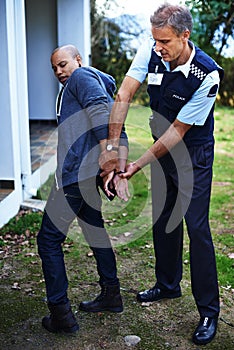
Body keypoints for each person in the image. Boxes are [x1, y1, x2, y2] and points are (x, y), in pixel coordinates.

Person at [99, 3, 224, 346]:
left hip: (192, 154)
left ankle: (209, 311)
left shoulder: (207, 75)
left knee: (196, 227)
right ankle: (168, 284)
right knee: (163, 218)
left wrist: (136, 166)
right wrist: (111, 151)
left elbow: (179, 132)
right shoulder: (150, 49)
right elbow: (123, 94)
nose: (158, 48)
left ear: (185, 36)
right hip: (163, 147)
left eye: (165, 41)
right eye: (155, 40)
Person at [37, 44, 129, 334]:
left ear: (77, 59)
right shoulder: (92, 81)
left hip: (77, 175)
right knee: (94, 230)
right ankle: (111, 295)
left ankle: (61, 314)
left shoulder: (81, 77)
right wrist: (114, 164)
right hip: (86, 174)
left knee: (48, 240)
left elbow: (102, 113)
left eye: (63, 64)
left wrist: (110, 158)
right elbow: (115, 121)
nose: (59, 71)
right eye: (54, 68)